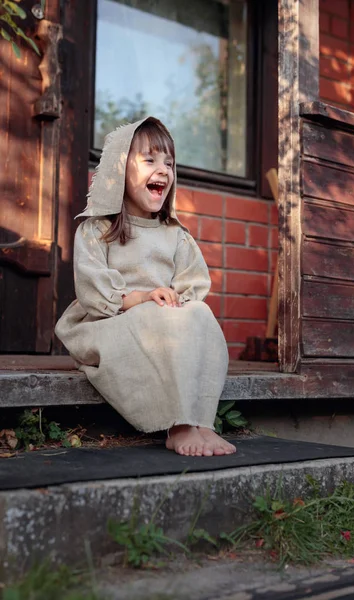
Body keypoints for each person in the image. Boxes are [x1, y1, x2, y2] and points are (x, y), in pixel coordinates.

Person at [55, 116, 236, 458]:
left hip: (161, 324)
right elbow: (93, 293)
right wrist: (142, 298)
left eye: (169, 163)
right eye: (150, 160)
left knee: (201, 312)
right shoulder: (98, 229)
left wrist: (177, 304)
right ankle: (178, 425)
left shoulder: (175, 235)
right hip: (107, 323)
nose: (163, 170)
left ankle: (201, 421)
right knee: (156, 318)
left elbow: (192, 285)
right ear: (119, 170)